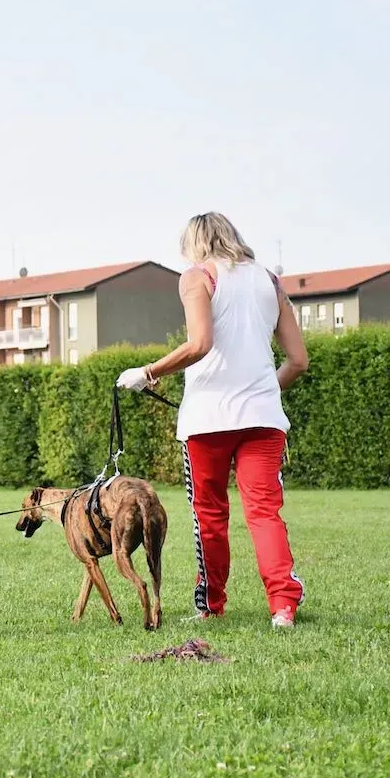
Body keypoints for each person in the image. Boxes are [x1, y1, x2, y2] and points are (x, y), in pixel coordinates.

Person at [116, 211, 310, 629]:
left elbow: (200, 344)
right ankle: (283, 607)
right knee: (264, 512)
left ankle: (211, 606)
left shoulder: (196, 276)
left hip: (208, 419)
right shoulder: (271, 281)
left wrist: (147, 373)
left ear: (194, 244)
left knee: (210, 514)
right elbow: (298, 361)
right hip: (263, 419)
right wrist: (263, 392)